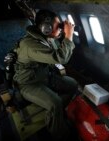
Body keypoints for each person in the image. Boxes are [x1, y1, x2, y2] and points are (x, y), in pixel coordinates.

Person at [13, 9, 77, 140]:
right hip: (29, 84)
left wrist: (62, 32)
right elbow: (60, 57)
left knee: (73, 85)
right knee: (55, 103)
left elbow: (55, 56)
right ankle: (59, 133)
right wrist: (68, 36)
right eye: (57, 26)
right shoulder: (30, 45)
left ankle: (54, 115)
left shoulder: (45, 38)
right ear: (45, 28)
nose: (60, 28)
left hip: (44, 76)